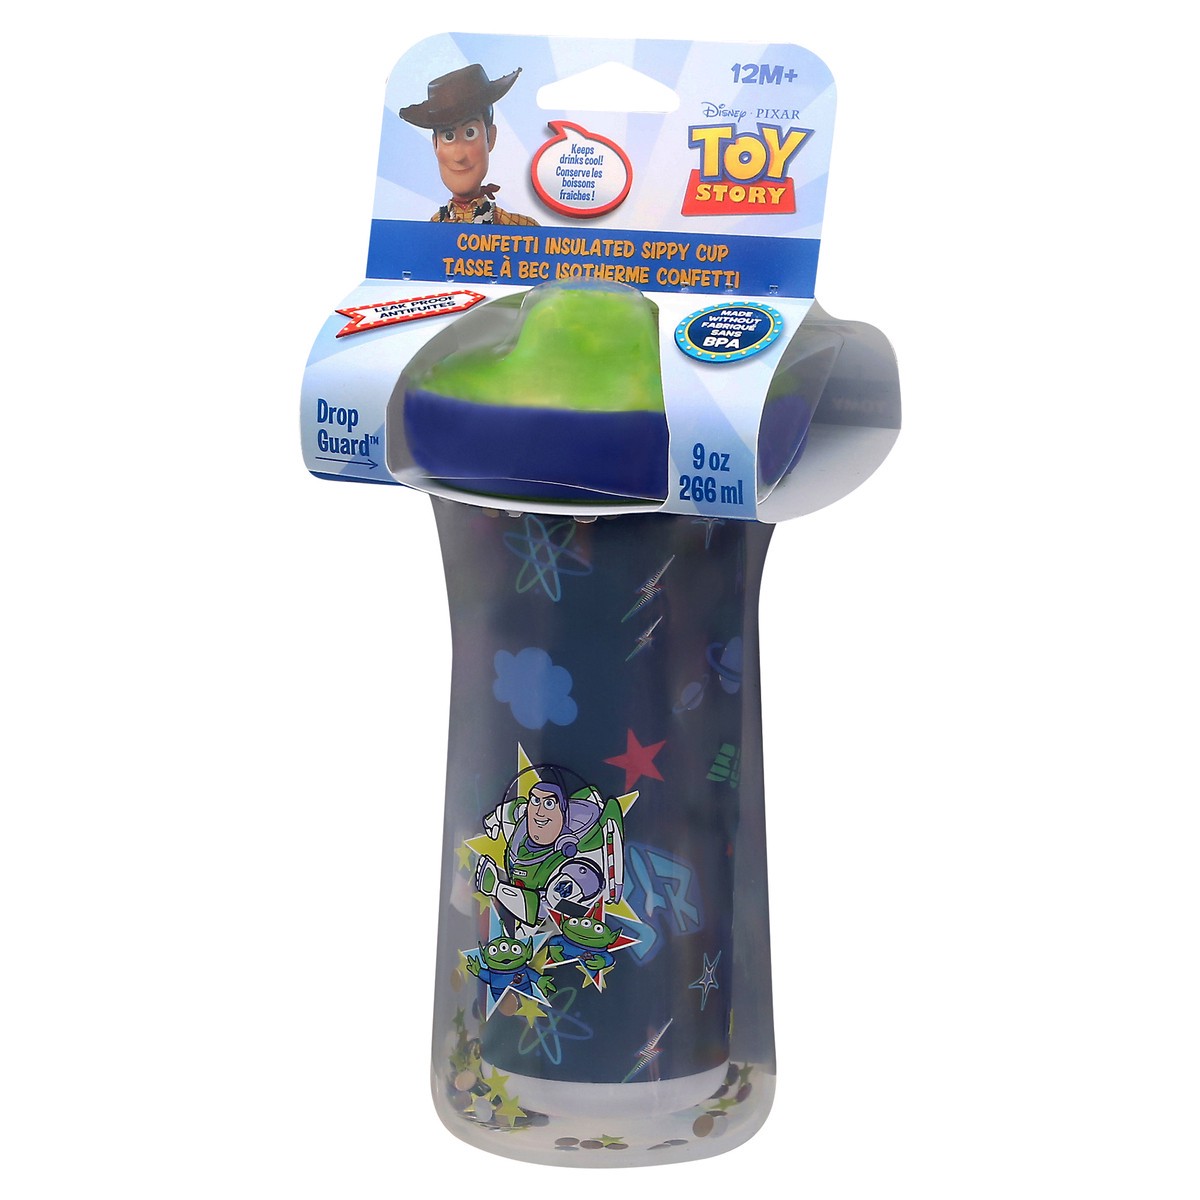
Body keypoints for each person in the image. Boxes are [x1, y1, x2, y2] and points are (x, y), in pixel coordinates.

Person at [399, 63, 538, 226]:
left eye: (470, 133)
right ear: (435, 144)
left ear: (490, 137)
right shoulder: (429, 231)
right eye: (448, 136)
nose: (459, 156)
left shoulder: (522, 229)